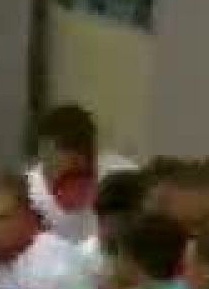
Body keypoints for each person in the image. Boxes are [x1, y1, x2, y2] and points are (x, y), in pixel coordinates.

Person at [26, 104, 139, 247]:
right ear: (43, 150)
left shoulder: (121, 175)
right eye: (65, 148)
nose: (79, 159)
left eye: (84, 149)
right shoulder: (25, 194)